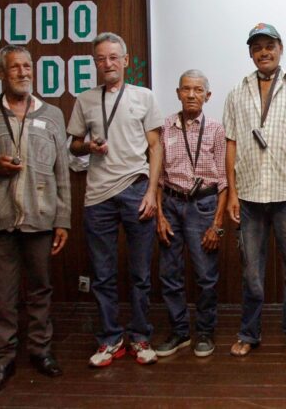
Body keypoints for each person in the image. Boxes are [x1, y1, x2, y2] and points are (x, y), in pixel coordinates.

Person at [0, 44, 70, 394]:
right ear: (1, 74)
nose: (23, 72)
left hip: (41, 218)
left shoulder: (52, 114)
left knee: (40, 291)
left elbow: (62, 172)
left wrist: (62, 220)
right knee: (3, 297)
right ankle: (2, 359)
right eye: (15, 67)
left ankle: (40, 351)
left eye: (27, 66)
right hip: (2, 220)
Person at [68, 32, 163, 367]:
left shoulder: (145, 96)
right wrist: (87, 147)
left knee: (140, 274)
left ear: (125, 60)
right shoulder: (85, 99)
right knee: (103, 274)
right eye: (100, 58)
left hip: (137, 191)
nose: (107, 64)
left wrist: (152, 191)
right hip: (97, 197)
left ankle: (140, 337)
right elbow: (74, 145)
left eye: (113, 57)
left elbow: (155, 148)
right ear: (95, 63)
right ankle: (110, 340)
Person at [223, 23, 286, 361]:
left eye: (270, 45)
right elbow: (231, 142)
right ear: (250, 52)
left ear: (280, 48)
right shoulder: (237, 91)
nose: (264, 51)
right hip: (248, 196)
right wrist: (232, 192)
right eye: (257, 46)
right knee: (251, 270)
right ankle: (249, 333)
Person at [154, 69, 227, 358]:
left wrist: (217, 224)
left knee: (205, 275)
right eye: (186, 89)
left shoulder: (216, 130)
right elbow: (158, 177)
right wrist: (159, 215)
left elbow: (224, 182)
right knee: (169, 274)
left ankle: (205, 332)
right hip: (170, 204)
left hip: (204, 206)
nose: (192, 95)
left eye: (198, 90)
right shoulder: (165, 127)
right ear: (178, 93)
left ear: (208, 96)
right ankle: (179, 332)